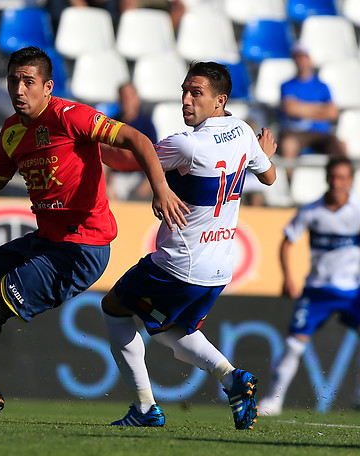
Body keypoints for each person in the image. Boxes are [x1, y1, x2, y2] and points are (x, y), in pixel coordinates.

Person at [0, 46, 189, 423]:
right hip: (46, 239)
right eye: (13, 80)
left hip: (82, 246)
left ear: (47, 86)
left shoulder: (71, 116)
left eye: (28, 81)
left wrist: (161, 189)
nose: (19, 89)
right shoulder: (12, 131)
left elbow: (138, 141)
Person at [100, 61, 277, 430]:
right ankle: (232, 378)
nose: (186, 99)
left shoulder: (188, 143)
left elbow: (123, 160)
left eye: (196, 93)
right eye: (184, 91)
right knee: (170, 331)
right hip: (218, 269)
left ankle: (145, 408)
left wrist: (84, 140)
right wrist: (262, 152)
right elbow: (270, 176)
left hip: (178, 263)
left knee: (114, 307)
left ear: (219, 100)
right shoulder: (243, 131)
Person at [258, 156, 360, 416]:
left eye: (342, 178)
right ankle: (274, 400)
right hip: (317, 291)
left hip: (352, 291)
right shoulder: (311, 211)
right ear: (326, 178)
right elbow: (287, 241)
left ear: (350, 181)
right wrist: (287, 277)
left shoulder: (357, 210)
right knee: (294, 345)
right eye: (333, 177)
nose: (337, 183)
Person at [277, 43, 345, 160]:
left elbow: (333, 113)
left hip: (321, 134)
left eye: (304, 57)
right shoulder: (287, 85)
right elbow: (291, 109)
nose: (301, 61)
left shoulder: (322, 86)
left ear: (310, 59)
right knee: (288, 144)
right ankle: (289, 178)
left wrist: (301, 108)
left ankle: (342, 177)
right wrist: (321, 109)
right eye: (298, 57)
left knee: (341, 146)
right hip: (296, 133)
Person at [106, 82, 158, 201]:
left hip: (139, 176)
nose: (126, 101)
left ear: (137, 99)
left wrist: (148, 183)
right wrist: (109, 183)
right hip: (117, 176)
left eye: (129, 97)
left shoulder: (147, 125)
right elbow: (105, 154)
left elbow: (154, 155)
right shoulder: (112, 122)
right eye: (123, 97)